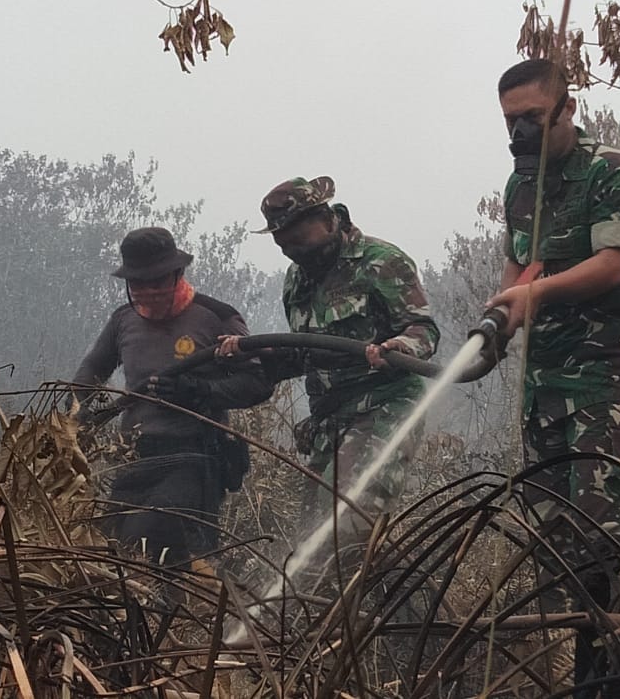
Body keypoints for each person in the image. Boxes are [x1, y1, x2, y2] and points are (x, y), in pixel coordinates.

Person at [485, 59, 620, 615]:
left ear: (568, 108)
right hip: (545, 382)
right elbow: (520, 264)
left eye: (533, 117)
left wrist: (533, 298)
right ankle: (565, 659)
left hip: (610, 373)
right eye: (510, 120)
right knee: (548, 533)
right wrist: (501, 313)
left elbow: (614, 264)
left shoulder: (614, 173)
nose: (520, 132)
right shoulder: (521, 187)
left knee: (599, 523)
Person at [220, 176, 440, 528]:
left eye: (299, 240)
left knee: (346, 519)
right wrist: (251, 357)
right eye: (284, 245)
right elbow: (306, 351)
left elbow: (424, 330)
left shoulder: (381, 262)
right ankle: (382, 582)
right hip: (328, 418)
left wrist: (398, 346)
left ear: (326, 219)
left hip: (383, 406)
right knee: (314, 532)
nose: (295, 252)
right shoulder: (296, 279)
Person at [72, 226, 272, 568]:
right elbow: (92, 368)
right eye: (138, 284)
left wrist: (200, 391)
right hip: (135, 456)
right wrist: (79, 411)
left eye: (157, 282)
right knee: (111, 545)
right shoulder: (123, 320)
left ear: (177, 274)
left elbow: (259, 382)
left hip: (196, 456)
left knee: (156, 531)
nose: (148, 292)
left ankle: (198, 610)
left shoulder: (216, 317)